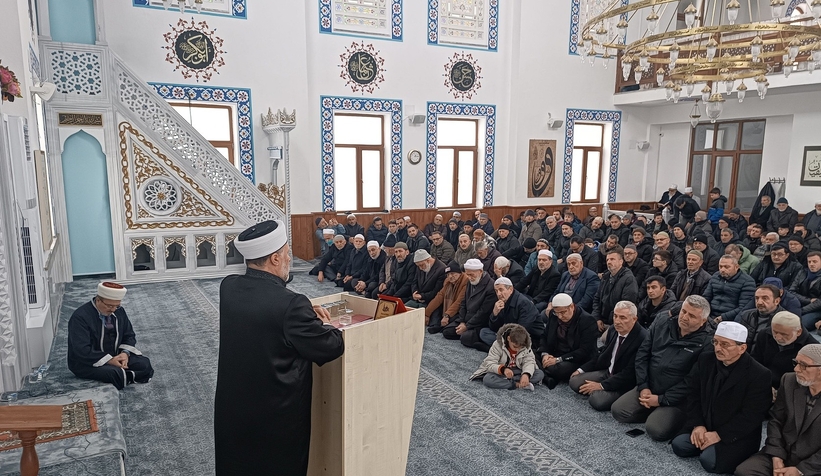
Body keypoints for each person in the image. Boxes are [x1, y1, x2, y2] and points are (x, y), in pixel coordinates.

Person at [215, 220, 344, 475]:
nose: (289, 258)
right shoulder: (291, 305)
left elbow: (267, 311)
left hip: (233, 413)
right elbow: (330, 346)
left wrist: (305, 314)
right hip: (276, 420)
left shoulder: (228, 287)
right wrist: (316, 320)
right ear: (275, 259)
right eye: (287, 253)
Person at [671, 321, 772, 474]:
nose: (718, 348)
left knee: (709, 461)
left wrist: (719, 435)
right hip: (706, 423)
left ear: (742, 348)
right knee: (680, 445)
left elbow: (752, 415)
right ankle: (705, 442)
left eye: (725, 344)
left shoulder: (759, 374)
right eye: (716, 342)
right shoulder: (706, 359)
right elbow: (693, 394)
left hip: (735, 434)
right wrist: (698, 425)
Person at [611, 295, 713, 441]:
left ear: (703, 321)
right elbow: (642, 354)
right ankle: (654, 411)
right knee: (619, 411)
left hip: (676, 397)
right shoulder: (662, 321)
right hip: (650, 385)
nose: (684, 317)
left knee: (656, 430)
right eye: (684, 311)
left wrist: (661, 400)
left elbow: (692, 381)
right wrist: (643, 386)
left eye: (692, 316)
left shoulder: (707, 342)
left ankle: (662, 414)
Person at [734, 344, 821, 476]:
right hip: (783, 452)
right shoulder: (789, 380)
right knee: (744, 471)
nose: (797, 369)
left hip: (814, 463)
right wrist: (776, 455)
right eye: (795, 363)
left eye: (803, 365)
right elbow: (776, 420)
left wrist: (801, 470)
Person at [67, 282, 154, 390]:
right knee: (115, 373)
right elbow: (81, 349)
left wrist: (124, 354)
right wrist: (109, 360)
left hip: (115, 354)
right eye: (109, 306)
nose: (113, 310)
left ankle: (125, 376)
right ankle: (125, 376)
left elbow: (129, 335)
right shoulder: (80, 317)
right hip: (87, 362)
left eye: (116, 306)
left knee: (144, 364)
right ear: (98, 300)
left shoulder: (119, 311)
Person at [569, 301, 648, 411]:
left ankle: (612, 394)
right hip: (608, 372)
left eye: (623, 317)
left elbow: (631, 373)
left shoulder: (642, 338)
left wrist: (601, 386)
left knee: (597, 400)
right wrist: (581, 369)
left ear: (634, 319)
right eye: (615, 316)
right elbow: (603, 354)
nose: (617, 321)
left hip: (625, 382)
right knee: (574, 381)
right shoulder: (613, 330)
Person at [539, 293, 598, 389]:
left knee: (558, 369)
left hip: (574, 357)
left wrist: (558, 360)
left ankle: (542, 372)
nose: (560, 316)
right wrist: (545, 354)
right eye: (556, 313)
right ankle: (546, 376)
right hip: (555, 352)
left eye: (563, 312)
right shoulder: (553, 315)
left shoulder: (587, 320)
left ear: (571, 306)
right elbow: (544, 336)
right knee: (532, 353)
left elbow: (585, 350)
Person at [442, 259, 497, 350]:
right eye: (467, 274)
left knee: (465, 338)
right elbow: (463, 303)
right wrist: (462, 321)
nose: (469, 277)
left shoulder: (490, 286)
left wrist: (467, 326)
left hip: (479, 323)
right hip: (466, 318)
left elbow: (483, 313)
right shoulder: (470, 282)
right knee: (446, 331)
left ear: (480, 271)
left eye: (472, 275)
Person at [470, 323, 543, 391]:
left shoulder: (526, 346)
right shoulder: (497, 344)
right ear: (508, 339)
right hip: (500, 371)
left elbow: (529, 361)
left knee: (539, 374)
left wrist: (526, 374)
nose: (517, 350)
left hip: (518, 370)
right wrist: (503, 370)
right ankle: (516, 384)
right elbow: (489, 363)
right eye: (515, 347)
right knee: (487, 379)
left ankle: (514, 380)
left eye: (520, 348)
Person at [752, 311, 814, 390]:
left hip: (790, 389)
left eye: (784, 334)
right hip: (761, 381)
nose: (778, 337)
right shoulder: (765, 334)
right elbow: (755, 361)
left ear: (798, 332)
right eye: (775, 332)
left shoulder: (811, 348)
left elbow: (807, 379)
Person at [482, 277, 544, 349]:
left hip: (528, 337)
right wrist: (495, 314)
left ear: (510, 289)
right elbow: (494, 328)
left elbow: (523, 329)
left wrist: (506, 336)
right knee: (484, 332)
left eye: (501, 290)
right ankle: (503, 347)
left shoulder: (524, 303)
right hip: (509, 333)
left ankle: (502, 348)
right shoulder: (502, 301)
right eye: (496, 291)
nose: (498, 294)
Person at [592, 248, 639, 335]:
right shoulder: (605, 277)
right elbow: (596, 299)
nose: (609, 262)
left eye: (612, 259)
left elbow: (626, 304)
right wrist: (597, 318)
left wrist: (611, 323)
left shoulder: (628, 279)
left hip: (616, 323)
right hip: (601, 321)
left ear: (621, 261)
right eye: (607, 260)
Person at [702, 255, 756, 325]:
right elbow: (706, 297)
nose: (722, 269)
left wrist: (722, 317)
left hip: (730, 320)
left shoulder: (747, 282)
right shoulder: (715, 276)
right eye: (720, 267)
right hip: (709, 315)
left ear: (736, 267)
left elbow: (743, 308)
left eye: (727, 267)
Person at [737, 284, 786, 351]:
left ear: (776, 301)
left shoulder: (786, 320)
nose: (759, 302)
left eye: (765, 298)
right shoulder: (747, 315)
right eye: (757, 298)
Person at [425, 261, 468, 334]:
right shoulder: (448, 282)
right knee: (436, 307)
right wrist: (426, 313)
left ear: (459, 273)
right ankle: (436, 325)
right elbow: (439, 297)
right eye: (448, 274)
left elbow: (459, 302)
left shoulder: (465, 281)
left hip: (460, 310)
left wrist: (447, 315)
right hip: (449, 308)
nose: (450, 276)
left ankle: (440, 326)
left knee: (448, 331)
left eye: (452, 273)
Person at [798, 251, 821, 332]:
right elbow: (791, 291)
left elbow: (819, 302)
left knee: (801, 324)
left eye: (815, 261)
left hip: (817, 310)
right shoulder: (803, 272)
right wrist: (808, 300)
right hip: (800, 304)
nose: (811, 264)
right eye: (809, 261)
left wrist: (802, 310)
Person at [372, 235, 397, 299]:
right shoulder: (386, 257)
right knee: (373, 294)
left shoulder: (396, 259)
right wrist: (381, 283)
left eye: (386, 248)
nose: (385, 250)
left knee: (382, 297)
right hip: (384, 283)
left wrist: (387, 285)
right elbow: (382, 271)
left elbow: (395, 275)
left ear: (392, 249)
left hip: (392, 285)